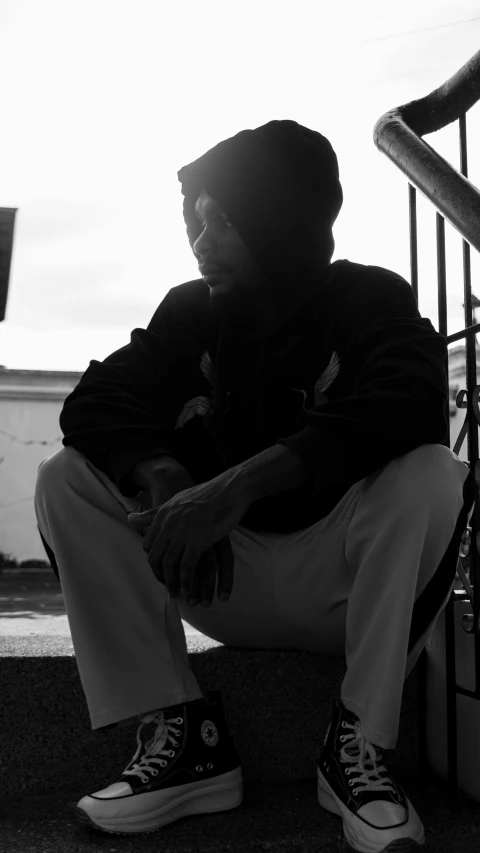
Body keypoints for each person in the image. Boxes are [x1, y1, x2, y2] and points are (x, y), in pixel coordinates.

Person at [34, 119, 474, 852]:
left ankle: (356, 745)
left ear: (280, 219)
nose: (202, 241)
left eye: (223, 218)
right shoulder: (191, 311)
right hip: (217, 575)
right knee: (66, 479)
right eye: (195, 221)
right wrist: (165, 475)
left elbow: (411, 397)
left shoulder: (365, 298)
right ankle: (184, 738)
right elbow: (96, 403)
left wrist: (236, 484)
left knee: (434, 472)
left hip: (340, 584)